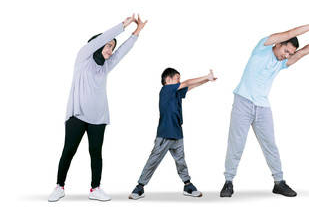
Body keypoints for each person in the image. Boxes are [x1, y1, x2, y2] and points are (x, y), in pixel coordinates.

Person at [220, 21, 309, 197]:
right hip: (243, 102)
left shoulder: (282, 63)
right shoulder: (262, 46)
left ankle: (279, 182)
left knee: (270, 146)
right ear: (278, 44)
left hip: (263, 107)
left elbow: (305, 51)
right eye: (285, 51)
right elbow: (290, 32)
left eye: (290, 54)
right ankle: (228, 182)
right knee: (236, 144)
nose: (286, 55)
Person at [48, 14, 148, 202]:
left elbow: (123, 51)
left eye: (112, 46)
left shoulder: (106, 66)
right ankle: (59, 187)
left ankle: (95, 189)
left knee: (96, 153)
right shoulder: (83, 58)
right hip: (77, 115)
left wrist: (137, 31)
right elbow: (102, 38)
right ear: (98, 45)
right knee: (68, 151)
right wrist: (123, 25)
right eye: (108, 45)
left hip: (98, 118)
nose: (111, 49)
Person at [129, 68, 217, 200]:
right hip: (165, 134)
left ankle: (187, 185)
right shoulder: (166, 90)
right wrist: (205, 75)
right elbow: (187, 82)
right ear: (168, 80)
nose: (179, 81)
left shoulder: (175, 92)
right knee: (153, 161)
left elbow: (192, 85)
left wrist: (206, 80)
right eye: (177, 78)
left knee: (181, 161)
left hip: (177, 134)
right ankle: (140, 187)